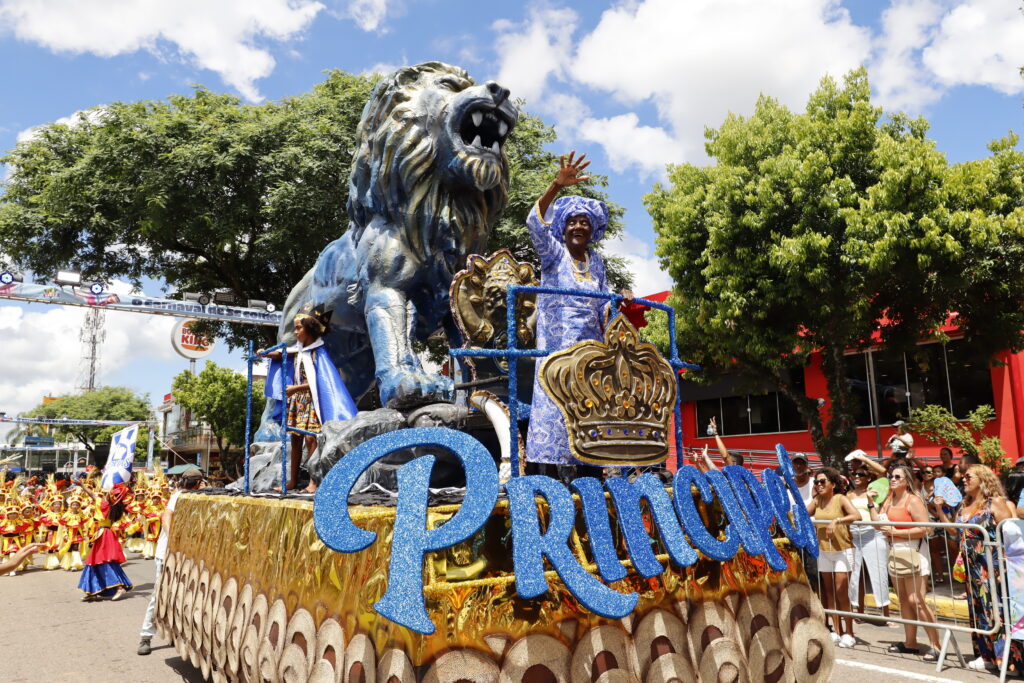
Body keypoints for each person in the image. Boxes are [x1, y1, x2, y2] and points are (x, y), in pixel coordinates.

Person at [523, 151, 636, 476]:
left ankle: (592, 491)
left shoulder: (597, 262)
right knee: (556, 423)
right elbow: (535, 222)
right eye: (572, 221)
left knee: (590, 425)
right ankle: (549, 494)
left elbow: (602, 305)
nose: (578, 226)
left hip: (590, 358)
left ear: (592, 230)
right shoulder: (554, 254)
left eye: (584, 222)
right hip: (558, 356)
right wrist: (556, 186)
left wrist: (618, 301)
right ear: (563, 227)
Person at [261, 303, 357, 493]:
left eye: (298, 328)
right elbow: (281, 354)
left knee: (311, 440)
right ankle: (292, 481)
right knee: (295, 440)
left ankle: (313, 481)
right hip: (297, 402)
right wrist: (265, 353)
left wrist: (296, 388)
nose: (295, 332)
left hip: (313, 402)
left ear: (310, 330)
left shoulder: (318, 352)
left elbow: (321, 382)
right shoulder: (298, 351)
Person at [935, 465, 1024, 672]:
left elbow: (1010, 533)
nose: (963, 480)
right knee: (978, 613)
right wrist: (940, 510)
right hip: (971, 569)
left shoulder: (996, 503)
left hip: (992, 568)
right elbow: (955, 533)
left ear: (983, 480)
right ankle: (986, 656)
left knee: (997, 611)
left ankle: (1007, 659)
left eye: (968, 477)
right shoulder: (965, 505)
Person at [869, 464, 942, 661]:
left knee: (916, 600)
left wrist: (897, 533)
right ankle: (910, 643)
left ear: (906, 480)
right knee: (903, 601)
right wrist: (870, 503)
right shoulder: (889, 500)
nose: (892, 479)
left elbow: (926, 529)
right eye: (891, 476)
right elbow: (878, 522)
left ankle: (936, 645)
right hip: (895, 552)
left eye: (897, 476)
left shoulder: (913, 500)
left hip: (914, 551)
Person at [138, 468, 204, 655]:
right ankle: (145, 636)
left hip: (184, 557)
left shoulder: (196, 498)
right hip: (167, 555)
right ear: (198, 483)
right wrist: (173, 538)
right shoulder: (179, 496)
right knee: (159, 595)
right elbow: (165, 516)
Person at [807, 467, 860, 648]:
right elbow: (804, 514)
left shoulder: (840, 499)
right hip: (824, 551)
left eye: (822, 482)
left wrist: (837, 520)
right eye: (816, 482)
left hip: (842, 550)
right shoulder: (818, 500)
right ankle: (836, 631)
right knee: (829, 592)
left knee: (841, 592)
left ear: (833, 484)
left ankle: (849, 632)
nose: (819, 485)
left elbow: (856, 515)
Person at [845, 464, 893, 626]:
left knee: (879, 573)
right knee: (856, 575)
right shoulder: (848, 494)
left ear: (869, 478)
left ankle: (886, 615)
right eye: (854, 474)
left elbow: (883, 472)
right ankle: (859, 612)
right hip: (854, 534)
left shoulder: (876, 492)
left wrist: (861, 458)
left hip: (873, 533)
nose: (856, 476)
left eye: (860, 474)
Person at [76, 482, 133, 601]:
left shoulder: (105, 505)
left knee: (103, 561)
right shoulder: (115, 508)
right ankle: (93, 591)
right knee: (95, 562)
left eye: (108, 493)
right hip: (104, 534)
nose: (105, 494)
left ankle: (118, 587)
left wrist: (82, 484)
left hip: (104, 535)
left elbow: (92, 494)